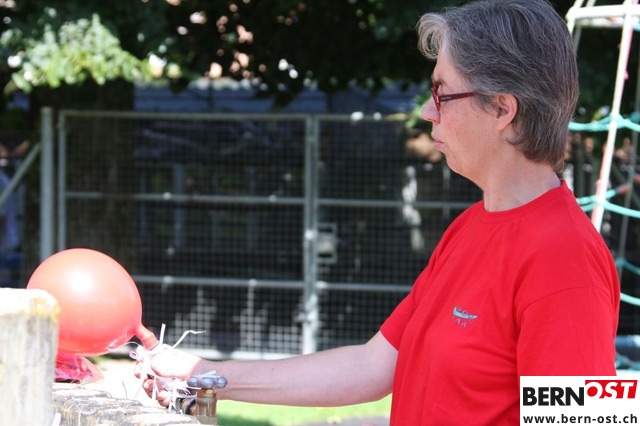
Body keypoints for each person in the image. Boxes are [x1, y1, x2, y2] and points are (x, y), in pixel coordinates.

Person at [137, 1, 620, 424]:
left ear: (502, 110)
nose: (428, 111)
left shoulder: (566, 257)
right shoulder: (471, 226)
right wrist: (203, 375)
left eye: (442, 93)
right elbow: (373, 366)